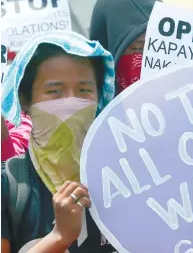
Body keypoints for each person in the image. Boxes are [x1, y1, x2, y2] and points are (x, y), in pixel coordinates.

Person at [1, 31, 116, 253]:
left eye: (84, 90)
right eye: (55, 92)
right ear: (25, 99)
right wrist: (59, 237)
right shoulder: (7, 187)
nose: (71, 102)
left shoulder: (125, 175)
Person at [89, 0, 162, 94]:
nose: (152, 60)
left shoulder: (190, 100)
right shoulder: (88, 107)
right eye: (138, 49)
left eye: (160, 46)